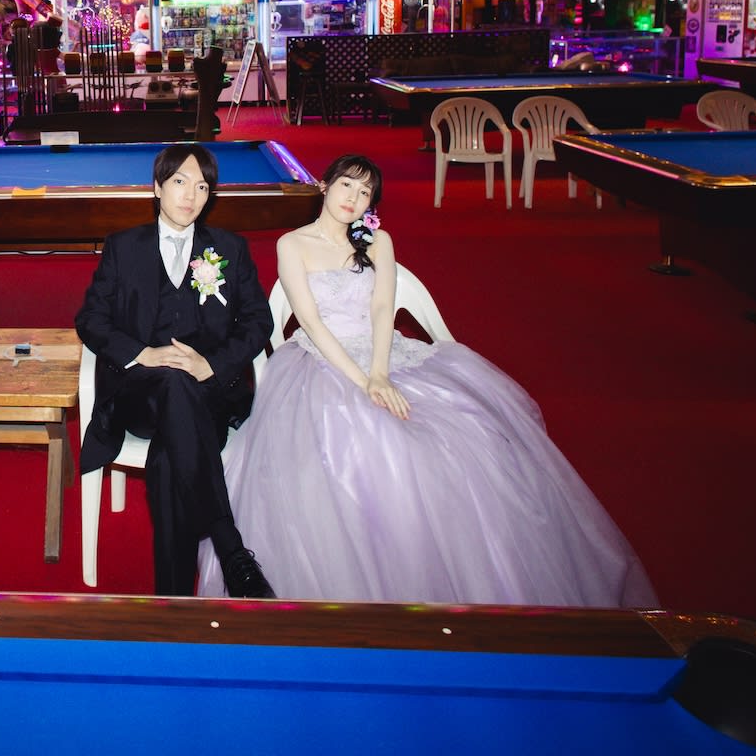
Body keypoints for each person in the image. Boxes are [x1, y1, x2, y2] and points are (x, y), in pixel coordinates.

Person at [196, 154, 657, 608]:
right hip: (322, 360)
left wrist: (380, 372)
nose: (353, 198)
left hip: (384, 353)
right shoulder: (292, 244)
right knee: (361, 441)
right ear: (325, 185)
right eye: (346, 185)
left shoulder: (378, 241)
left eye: (365, 192)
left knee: (467, 434)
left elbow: (383, 308)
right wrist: (362, 381)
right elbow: (312, 323)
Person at [76, 144, 276, 598]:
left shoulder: (229, 248)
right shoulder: (123, 247)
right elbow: (90, 319)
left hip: (207, 396)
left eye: (202, 187)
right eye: (180, 182)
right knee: (169, 379)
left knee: (170, 455)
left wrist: (211, 364)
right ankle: (230, 548)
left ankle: (175, 601)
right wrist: (142, 353)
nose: (190, 195)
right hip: (137, 396)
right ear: (157, 188)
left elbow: (257, 321)